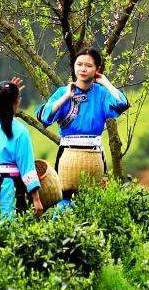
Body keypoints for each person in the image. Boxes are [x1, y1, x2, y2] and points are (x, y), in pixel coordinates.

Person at [37, 48, 128, 201]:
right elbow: (44, 116)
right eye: (79, 64)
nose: (83, 69)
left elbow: (122, 103)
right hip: (68, 155)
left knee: (94, 201)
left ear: (97, 69)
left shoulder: (101, 93)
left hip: (95, 156)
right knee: (65, 201)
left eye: (88, 65)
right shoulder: (63, 92)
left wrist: (105, 82)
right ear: (74, 66)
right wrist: (66, 97)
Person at [0, 78, 44, 220]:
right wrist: (36, 198)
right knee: (9, 224)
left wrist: (7, 94)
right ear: (17, 101)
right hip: (10, 185)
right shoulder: (20, 131)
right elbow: (27, 167)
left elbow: (1, 105)